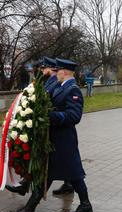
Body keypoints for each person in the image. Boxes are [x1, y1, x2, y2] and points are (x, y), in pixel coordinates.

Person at [6, 58, 92, 212]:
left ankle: (29, 210)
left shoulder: (73, 90)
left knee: (61, 173)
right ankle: (85, 204)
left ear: (64, 72)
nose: (55, 73)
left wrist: (50, 116)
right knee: (69, 174)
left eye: (58, 70)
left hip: (64, 140)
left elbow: (74, 116)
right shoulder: (62, 87)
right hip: (55, 139)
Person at [5, 57, 75, 196]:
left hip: (59, 128)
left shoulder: (59, 83)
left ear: (51, 68)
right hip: (53, 126)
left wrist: (49, 114)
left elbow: (59, 105)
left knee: (63, 162)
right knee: (66, 162)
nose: (41, 71)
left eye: (44, 68)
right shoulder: (52, 82)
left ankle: (30, 197)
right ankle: (28, 188)